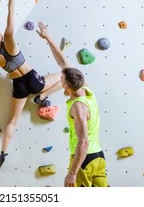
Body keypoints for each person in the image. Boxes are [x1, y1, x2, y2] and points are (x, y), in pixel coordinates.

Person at [0, 0, 62, 170]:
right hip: (33, 79)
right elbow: (11, 12)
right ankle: (42, 96)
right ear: (0, 36)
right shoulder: (10, 39)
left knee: (12, 121)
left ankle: (2, 155)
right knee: (64, 76)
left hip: (19, 87)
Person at [36, 21, 108, 187]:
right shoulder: (87, 90)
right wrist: (48, 37)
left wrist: (72, 173)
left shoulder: (78, 106)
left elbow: (83, 142)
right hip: (98, 157)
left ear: (66, 87)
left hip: (84, 160)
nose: (60, 79)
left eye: (61, 80)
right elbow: (63, 63)